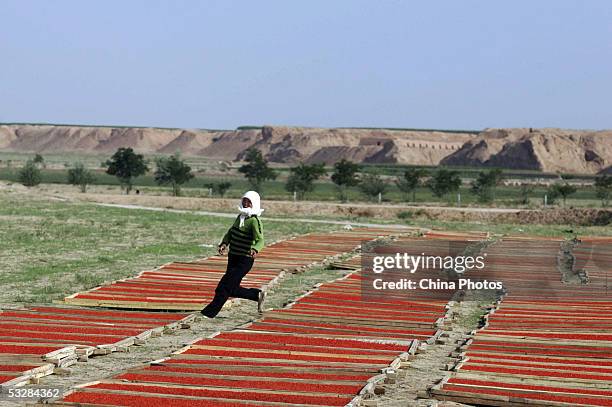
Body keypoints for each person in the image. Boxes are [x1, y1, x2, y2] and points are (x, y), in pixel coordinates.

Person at [201, 191, 266, 318]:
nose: (246, 204)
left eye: (249, 202)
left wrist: (255, 249)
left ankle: (208, 313)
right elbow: (231, 232)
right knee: (231, 287)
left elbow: (260, 240)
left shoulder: (254, 221)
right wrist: (224, 243)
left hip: (244, 260)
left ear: (254, 204)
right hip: (233, 257)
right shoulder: (240, 217)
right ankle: (256, 295)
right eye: (244, 201)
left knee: (224, 287)